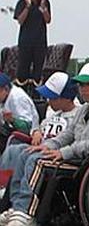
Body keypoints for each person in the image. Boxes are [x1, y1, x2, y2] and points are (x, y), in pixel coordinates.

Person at [2, 62, 89, 226]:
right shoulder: (84, 109)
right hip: (75, 156)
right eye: (81, 85)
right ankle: (16, 207)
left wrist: (64, 152)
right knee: (24, 152)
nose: (83, 89)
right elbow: (67, 135)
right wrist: (47, 146)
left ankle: (26, 211)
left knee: (37, 160)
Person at [0, 72, 78, 215]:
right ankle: (5, 192)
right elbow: (38, 127)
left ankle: (22, 208)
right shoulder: (54, 115)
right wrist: (36, 131)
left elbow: (73, 138)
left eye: (53, 97)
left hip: (57, 155)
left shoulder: (77, 116)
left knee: (29, 156)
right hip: (42, 146)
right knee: (14, 150)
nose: (48, 101)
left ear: (65, 98)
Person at [13, 0, 51, 87]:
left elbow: (48, 20)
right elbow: (20, 20)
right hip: (25, 42)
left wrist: (43, 9)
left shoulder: (45, 3)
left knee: (38, 70)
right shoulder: (22, 3)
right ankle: (22, 89)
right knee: (23, 70)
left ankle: (37, 93)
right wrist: (28, 7)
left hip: (40, 42)